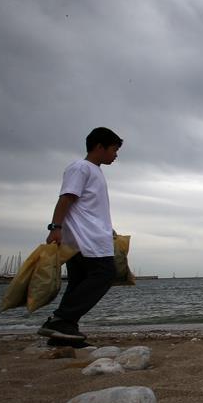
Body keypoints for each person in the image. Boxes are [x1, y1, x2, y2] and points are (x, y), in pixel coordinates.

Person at [38, 127, 123, 344]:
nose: (116, 155)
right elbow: (66, 198)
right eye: (113, 149)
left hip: (90, 236)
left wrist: (108, 229)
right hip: (86, 238)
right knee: (104, 274)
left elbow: (91, 207)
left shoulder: (95, 170)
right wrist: (55, 227)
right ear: (99, 147)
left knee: (78, 282)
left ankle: (64, 334)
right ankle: (61, 319)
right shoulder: (80, 168)